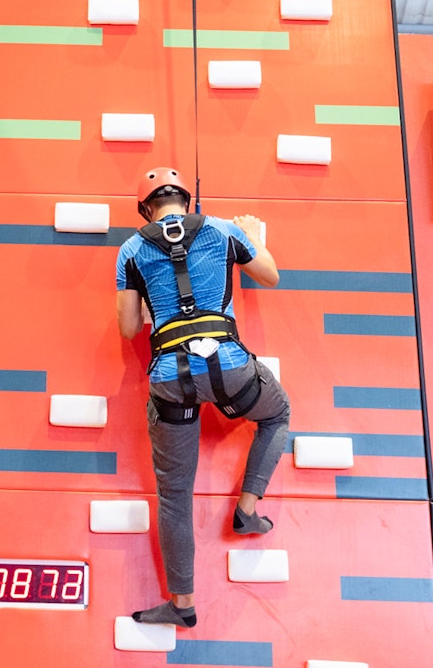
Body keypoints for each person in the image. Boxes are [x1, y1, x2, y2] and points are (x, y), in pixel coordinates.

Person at [115, 167, 291, 629]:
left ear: (145, 209)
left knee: (175, 495)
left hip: (171, 379)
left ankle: (183, 603)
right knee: (278, 415)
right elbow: (270, 275)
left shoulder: (131, 250)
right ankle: (247, 510)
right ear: (186, 201)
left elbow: (129, 328)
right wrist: (254, 236)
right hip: (232, 369)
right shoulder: (224, 231)